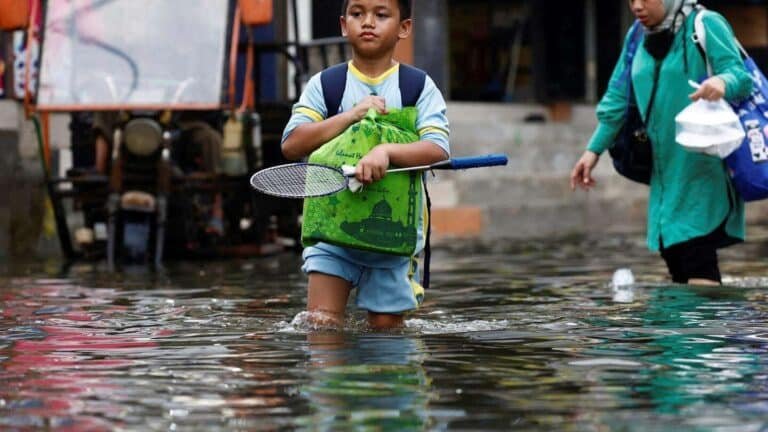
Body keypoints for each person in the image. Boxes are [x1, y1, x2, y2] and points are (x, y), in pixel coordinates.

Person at [281, 0, 450, 330]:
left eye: (381, 14)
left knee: (386, 332)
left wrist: (386, 152)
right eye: (358, 14)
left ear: (404, 28)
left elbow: (438, 148)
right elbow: (292, 143)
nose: (368, 22)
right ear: (344, 25)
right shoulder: (325, 85)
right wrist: (350, 116)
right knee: (321, 325)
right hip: (331, 234)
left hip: (393, 237)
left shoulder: (417, 87)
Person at [570, 0, 752, 285]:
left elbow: (741, 77)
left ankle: (710, 328)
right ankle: (693, 327)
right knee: (676, 260)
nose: (637, 6)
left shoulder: (705, 24)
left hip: (703, 167)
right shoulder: (636, 37)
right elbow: (617, 98)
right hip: (664, 174)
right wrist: (593, 150)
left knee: (696, 257)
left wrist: (722, 82)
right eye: (631, 0)